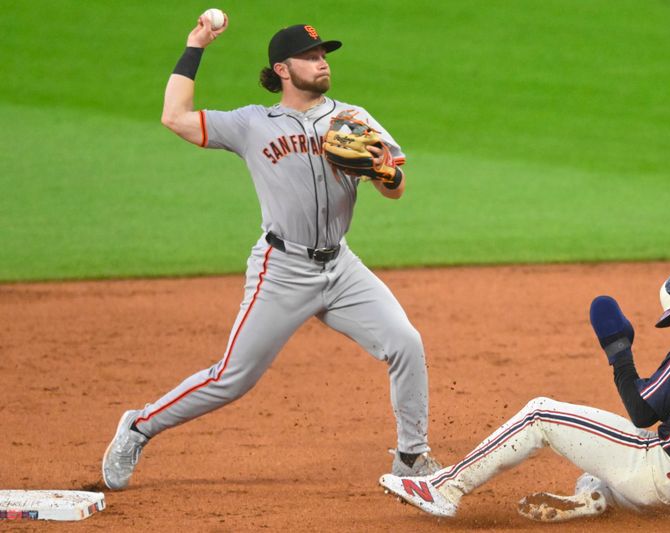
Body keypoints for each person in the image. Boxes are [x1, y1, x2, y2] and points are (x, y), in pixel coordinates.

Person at [101, 12, 440, 491]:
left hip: (341, 267)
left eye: (323, 55)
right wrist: (195, 44)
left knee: (405, 343)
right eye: (309, 56)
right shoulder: (251, 124)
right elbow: (173, 116)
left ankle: (412, 458)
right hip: (281, 271)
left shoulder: (353, 118)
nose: (321, 63)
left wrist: (384, 173)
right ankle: (138, 425)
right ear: (282, 69)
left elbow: (397, 186)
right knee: (231, 379)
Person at [380, 263, 670, 522]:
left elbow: (642, 411)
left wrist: (619, 353)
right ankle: (597, 497)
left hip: (660, 477)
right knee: (601, 467)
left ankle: (442, 488)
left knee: (541, 414)